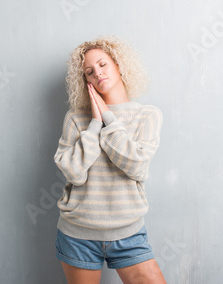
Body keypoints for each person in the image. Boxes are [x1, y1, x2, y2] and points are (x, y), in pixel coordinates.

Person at [53, 35, 166, 284]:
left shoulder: (147, 115)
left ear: (118, 64)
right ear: (85, 80)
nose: (97, 74)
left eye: (103, 64)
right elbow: (74, 172)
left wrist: (109, 119)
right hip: (77, 234)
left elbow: (135, 165)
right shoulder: (76, 119)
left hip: (129, 233)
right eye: (89, 71)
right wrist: (94, 124)